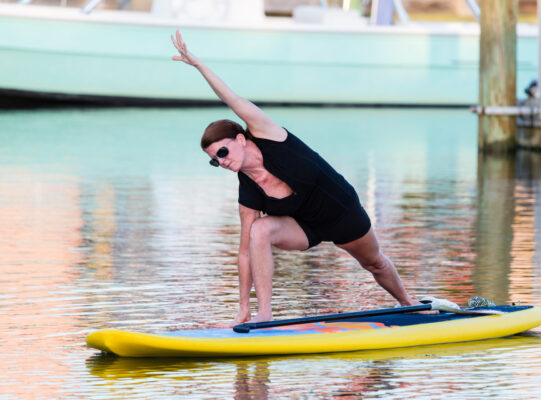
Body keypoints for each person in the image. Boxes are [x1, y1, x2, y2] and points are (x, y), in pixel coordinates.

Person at [171, 30, 424, 326]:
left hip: (340, 211)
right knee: (258, 232)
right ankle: (264, 314)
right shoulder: (248, 191)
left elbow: (233, 99)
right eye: (215, 160)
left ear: (240, 139)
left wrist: (199, 66)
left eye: (222, 152)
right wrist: (242, 308)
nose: (222, 161)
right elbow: (244, 254)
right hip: (305, 227)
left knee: (374, 263)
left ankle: (409, 304)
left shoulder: (268, 134)